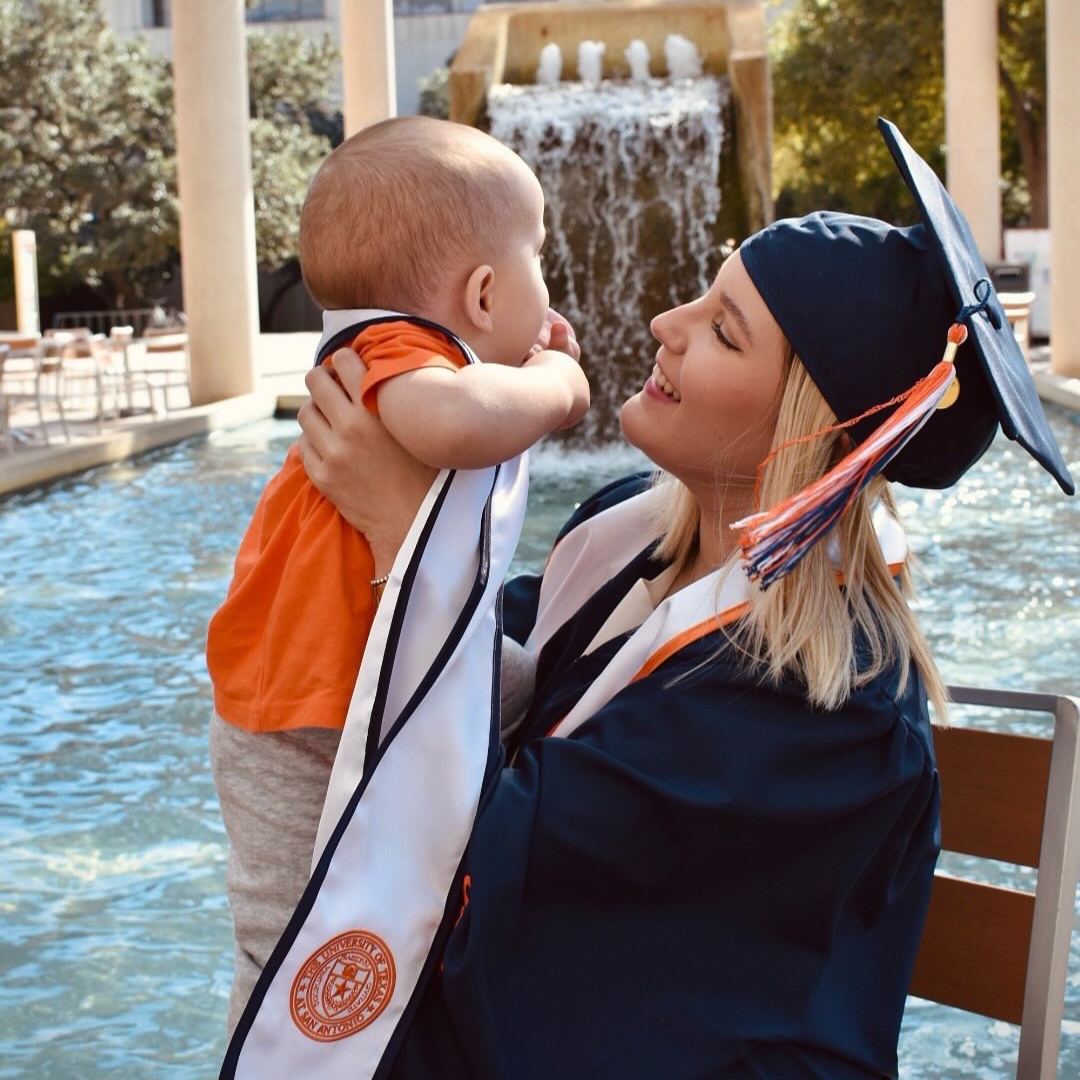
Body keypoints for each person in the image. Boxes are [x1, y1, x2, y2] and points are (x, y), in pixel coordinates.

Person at [226, 120, 1074, 1079]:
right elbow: (470, 699)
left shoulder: (821, 708)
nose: (668, 322)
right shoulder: (624, 535)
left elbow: (505, 883)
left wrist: (405, 541)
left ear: (805, 430)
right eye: (704, 294)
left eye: (723, 329)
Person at [205, 115, 590, 1035]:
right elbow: (455, 424)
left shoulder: (377, 351)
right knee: (289, 936)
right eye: (541, 259)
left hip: (324, 683)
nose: (551, 292)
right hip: (310, 710)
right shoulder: (400, 355)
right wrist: (560, 388)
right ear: (486, 291)